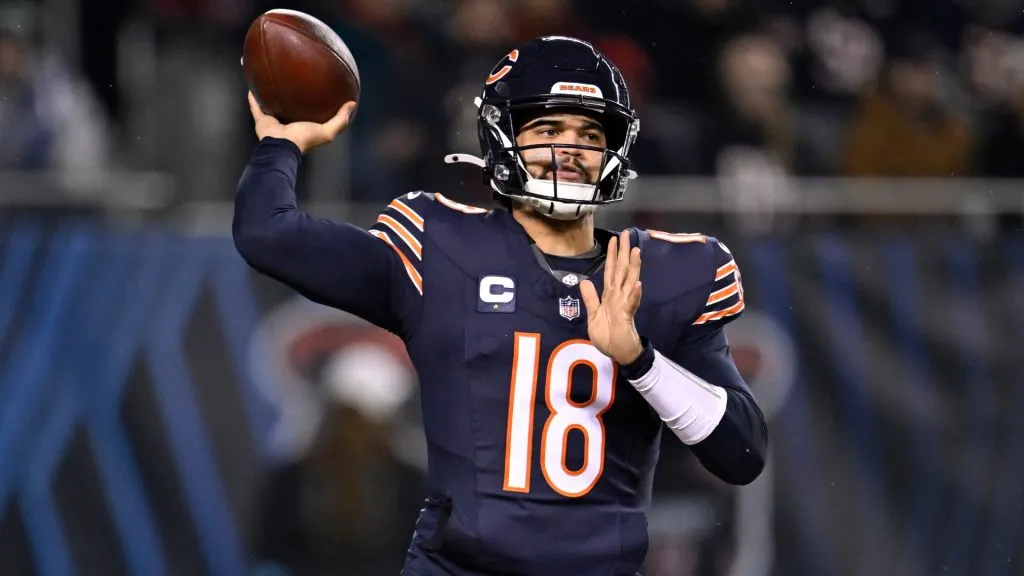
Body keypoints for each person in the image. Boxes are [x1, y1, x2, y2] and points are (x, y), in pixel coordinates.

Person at [234, 35, 768, 576]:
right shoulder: (438, 248)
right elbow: (266, 235)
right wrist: (281, 144)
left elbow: (743, 454)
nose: (571, 149)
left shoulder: (663, 274)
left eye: (590, 134)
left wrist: (640, 361)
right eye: (549, 130)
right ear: (502, 135)